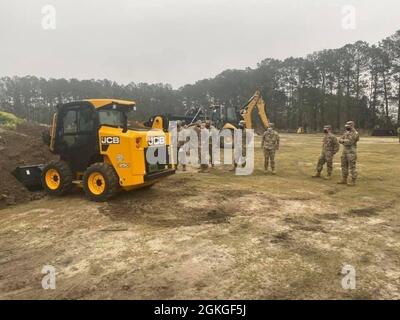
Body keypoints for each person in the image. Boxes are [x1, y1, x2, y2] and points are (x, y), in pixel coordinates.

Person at [338, 121, 360, 186]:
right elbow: (340, 139)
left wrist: (342, 141)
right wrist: (343, 140)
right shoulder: (346, 132)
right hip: (345, 152)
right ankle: (344, 179)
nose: (346, 127)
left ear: (352, 125)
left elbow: (350, 142)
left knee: (352, 167)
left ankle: (353, 181)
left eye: (348, 126)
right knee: (344, 165)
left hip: (351, 152)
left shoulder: (355, 133)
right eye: (346, 126)